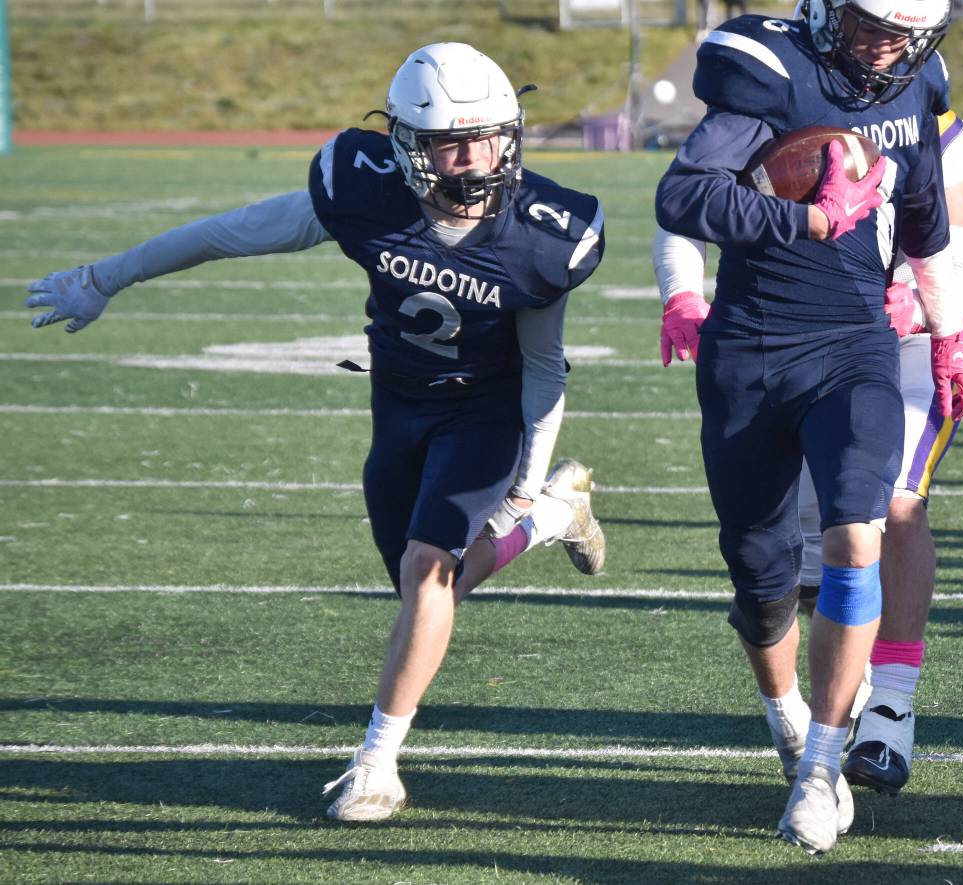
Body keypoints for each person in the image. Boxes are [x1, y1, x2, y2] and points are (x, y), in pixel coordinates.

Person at [25, 42, 607, 823]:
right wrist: (105, 277)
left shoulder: (544, 233)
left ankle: (378, 761)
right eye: (451, 141)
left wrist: (526, 475)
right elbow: (227, 232)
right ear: (407, 145)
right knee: (422, 585)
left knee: (429, 572)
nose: (475, 156)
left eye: (489, 134)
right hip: (398, 403)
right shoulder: (364, 193)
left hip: (485, 408)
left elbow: (544, 367)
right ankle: (551, 521)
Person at [653, 0, 963, 856]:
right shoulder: (769, 69)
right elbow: (682, 194)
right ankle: (787, 707)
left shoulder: (920, 83)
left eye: (903, 35)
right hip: (751, 348)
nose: (884, 51)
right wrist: (802, 223)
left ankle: (824, 762)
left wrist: (949, 329)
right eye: (871, 27)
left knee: (854, 533)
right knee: (759, 581)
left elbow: (924, 227)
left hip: (855, 346)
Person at [797, 109, 963, 794]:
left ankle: (890, 705)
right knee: (814, 540)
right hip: (812, 335)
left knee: (897, 502)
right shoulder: (783, 98)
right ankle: (836, 692)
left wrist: (927, 301)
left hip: (916, 336)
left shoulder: (922, 105)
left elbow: (961, 236)